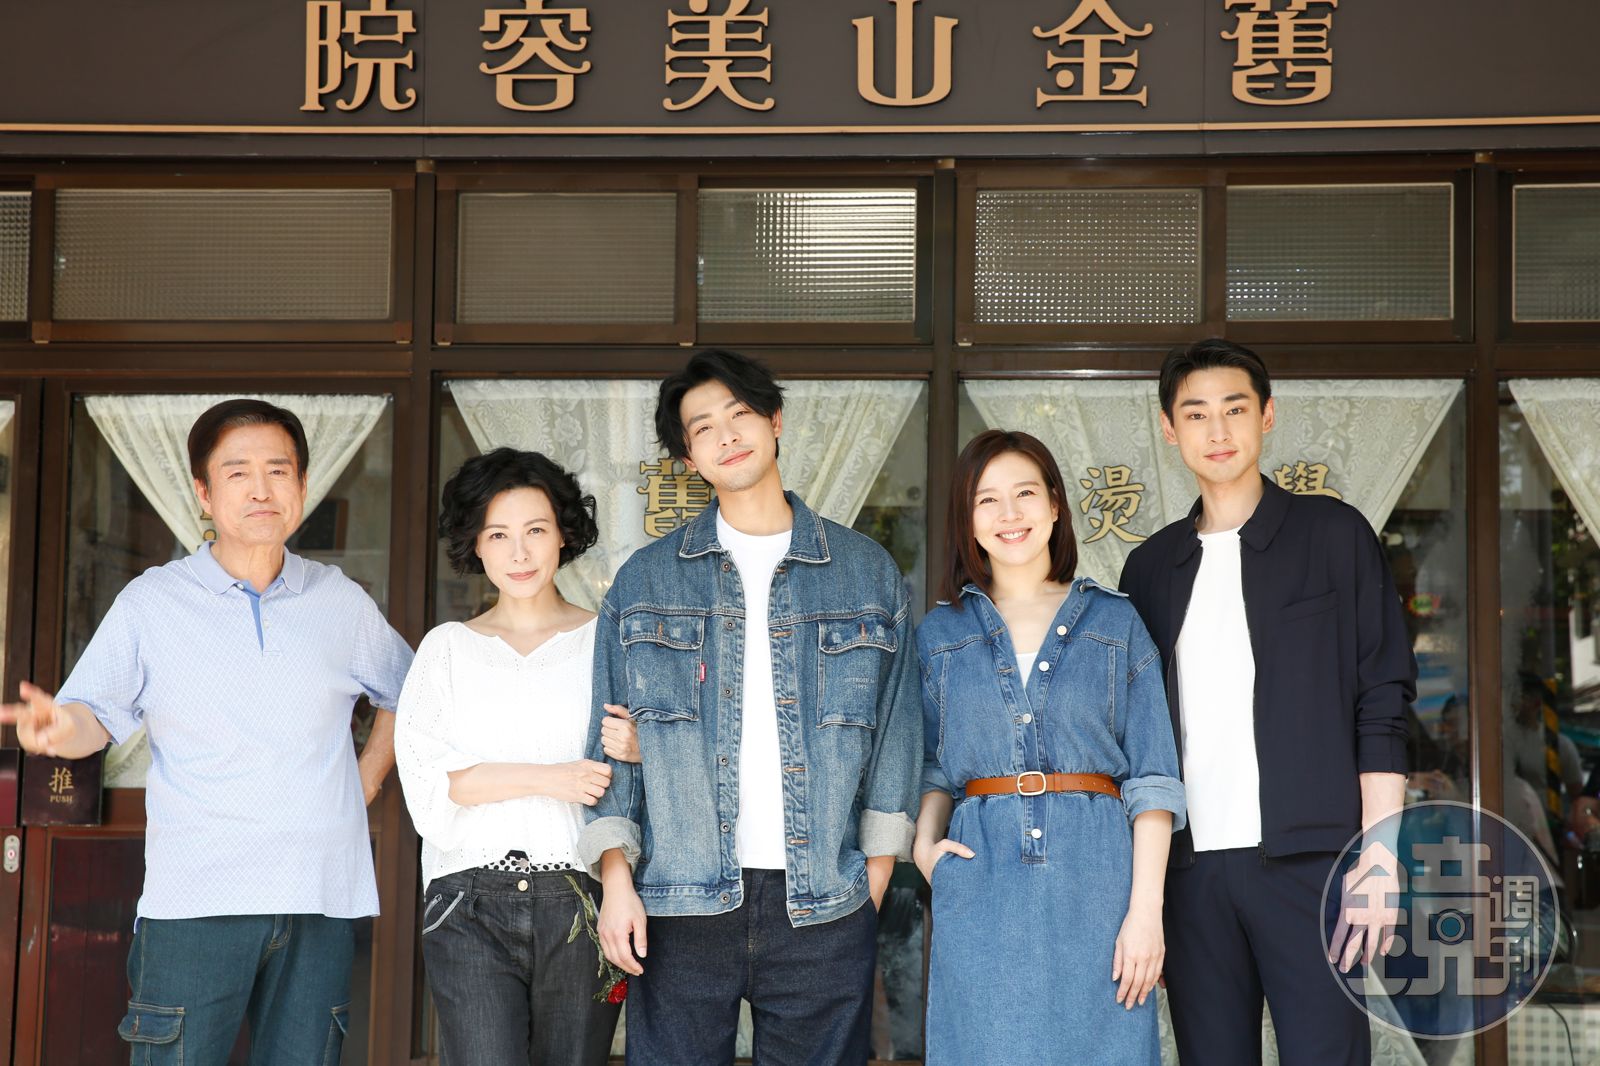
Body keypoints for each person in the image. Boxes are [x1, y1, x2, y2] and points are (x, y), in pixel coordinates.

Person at [1, 398, 413, 1065]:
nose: (261, 489)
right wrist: (54, 729)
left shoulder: (340, 601)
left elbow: (408, 690)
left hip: (321, 896)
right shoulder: (152, 602)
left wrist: (365, 779)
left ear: (303, 484)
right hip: (197, 899)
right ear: (203, 492)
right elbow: (91, 718)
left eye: (278, 470)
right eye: (238, 472)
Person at [578, 349, 923, 1065]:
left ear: (775, 420)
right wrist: (616, 880)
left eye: (740, 414)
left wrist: (872, 880)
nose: (727, 435)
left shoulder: (866, 573)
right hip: (678, 902)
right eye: (703, 427)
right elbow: (609, 749)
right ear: (689, 457)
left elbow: (895, 734)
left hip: (826, 902)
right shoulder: (646, 582)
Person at [1119, 339, 1415, 1066]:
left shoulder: (1333, 535)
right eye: (1196, 414)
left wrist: (1380, 855)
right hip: (1191, 872)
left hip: (1313, 864)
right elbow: (1133, 732)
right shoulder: (1149, 568)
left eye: (1235, 409)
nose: (1217, 431)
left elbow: (1382, 699)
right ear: (1169, 429)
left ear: (1268, 415)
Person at [913, 429, 1184, 1065]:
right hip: (980, 882)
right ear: (966, 520)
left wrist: (1146, 912)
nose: (1009, 514)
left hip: (1101, 886)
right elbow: (931, 765)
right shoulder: (940, 633)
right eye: (987, 500)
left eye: (1026, 494)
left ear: (1056, 504)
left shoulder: (1115, 621)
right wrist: (925, 850)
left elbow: (1153, 777)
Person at [395, 448, 642, 1066]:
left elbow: (628, 782)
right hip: (467, 900)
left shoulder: (606, 642)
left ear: (563, 535)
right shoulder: (446, 649)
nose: (520, 553)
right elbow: (434, 782)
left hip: (582, 892)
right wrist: (554, 778)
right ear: (476, 545)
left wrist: (618, 883)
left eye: (535, 530)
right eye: (498, 535)